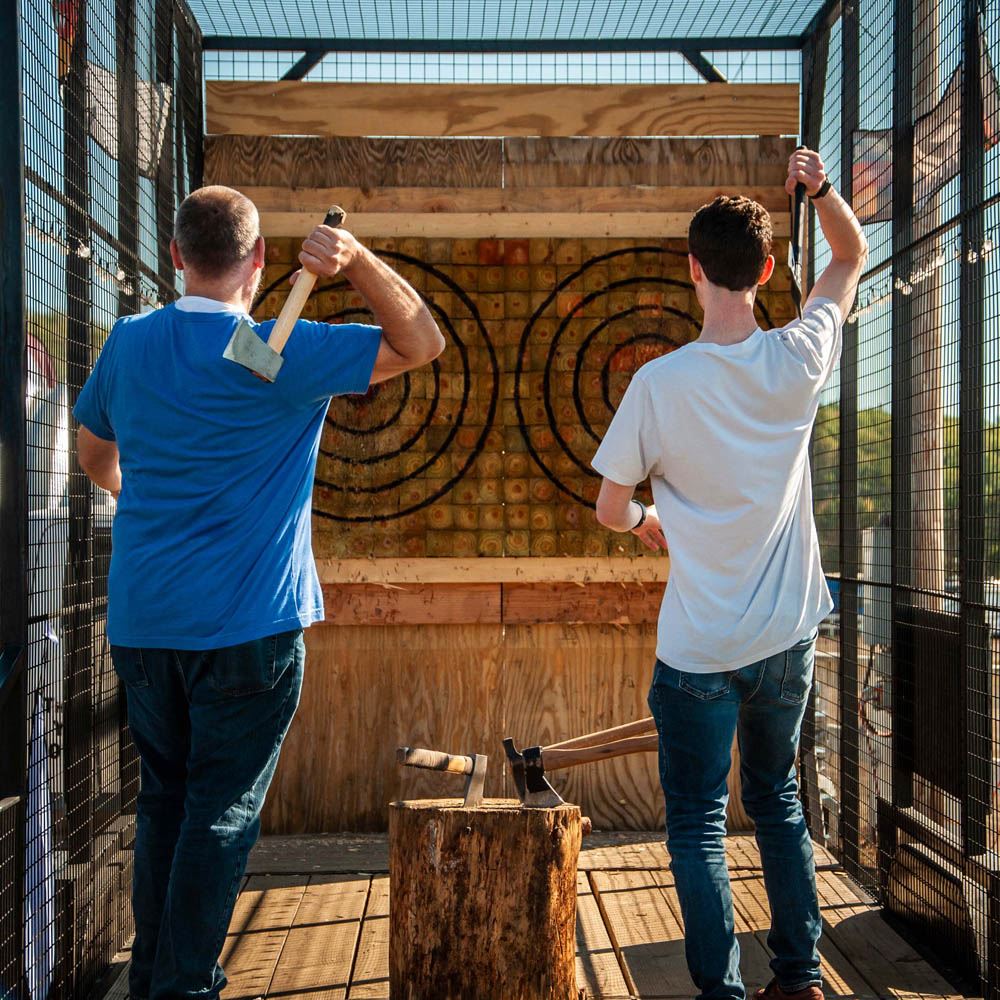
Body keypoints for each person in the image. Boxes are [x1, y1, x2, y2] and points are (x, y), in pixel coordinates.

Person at [74, 186, 444, 1000]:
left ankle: (156, 980)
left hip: (144, 623)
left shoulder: (130, 342)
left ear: (177, 255)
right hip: (248, 630)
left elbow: (93, 450)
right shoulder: (280, 351)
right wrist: (356, 261)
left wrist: (137, 493)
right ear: (261, 259)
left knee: (166, 804)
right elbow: (422, 341)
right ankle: (182, 987)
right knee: (220, 812)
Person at [592, 148, 867, 1000]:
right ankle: (801, 978)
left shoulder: (658, 383)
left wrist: (647, 522)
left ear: (693, 269)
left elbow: (608, 507)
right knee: (778, 803)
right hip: (786, 640)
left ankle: (722, 993)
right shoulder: (799, 356)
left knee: (698, 824)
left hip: (698, 651)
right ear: (768, 271)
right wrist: (821, 190)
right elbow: (850, 256)